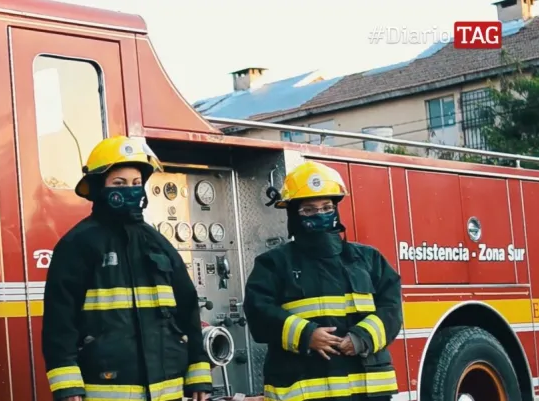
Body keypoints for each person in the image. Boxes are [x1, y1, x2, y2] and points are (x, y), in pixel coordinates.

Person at [41, 136, 213, 401]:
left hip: (166, 392)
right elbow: (60, 321)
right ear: (98, 186)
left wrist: (198, 374)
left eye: (136, 183)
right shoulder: (77, 244)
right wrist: (68, 387)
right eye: (119, 183)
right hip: (105, 391)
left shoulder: (158, 244)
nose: (130, 190)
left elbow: (188, 310)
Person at [243, 161, 403, 401]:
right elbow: (258, 313)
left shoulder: (368, 258)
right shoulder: (273, 263)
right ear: (293, 214)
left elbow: (392, 309)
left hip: (367, 392)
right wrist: (306, 335)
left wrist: (362, 338)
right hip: (305, 389)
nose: (320, 214)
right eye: (309, 210)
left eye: (327, 207)